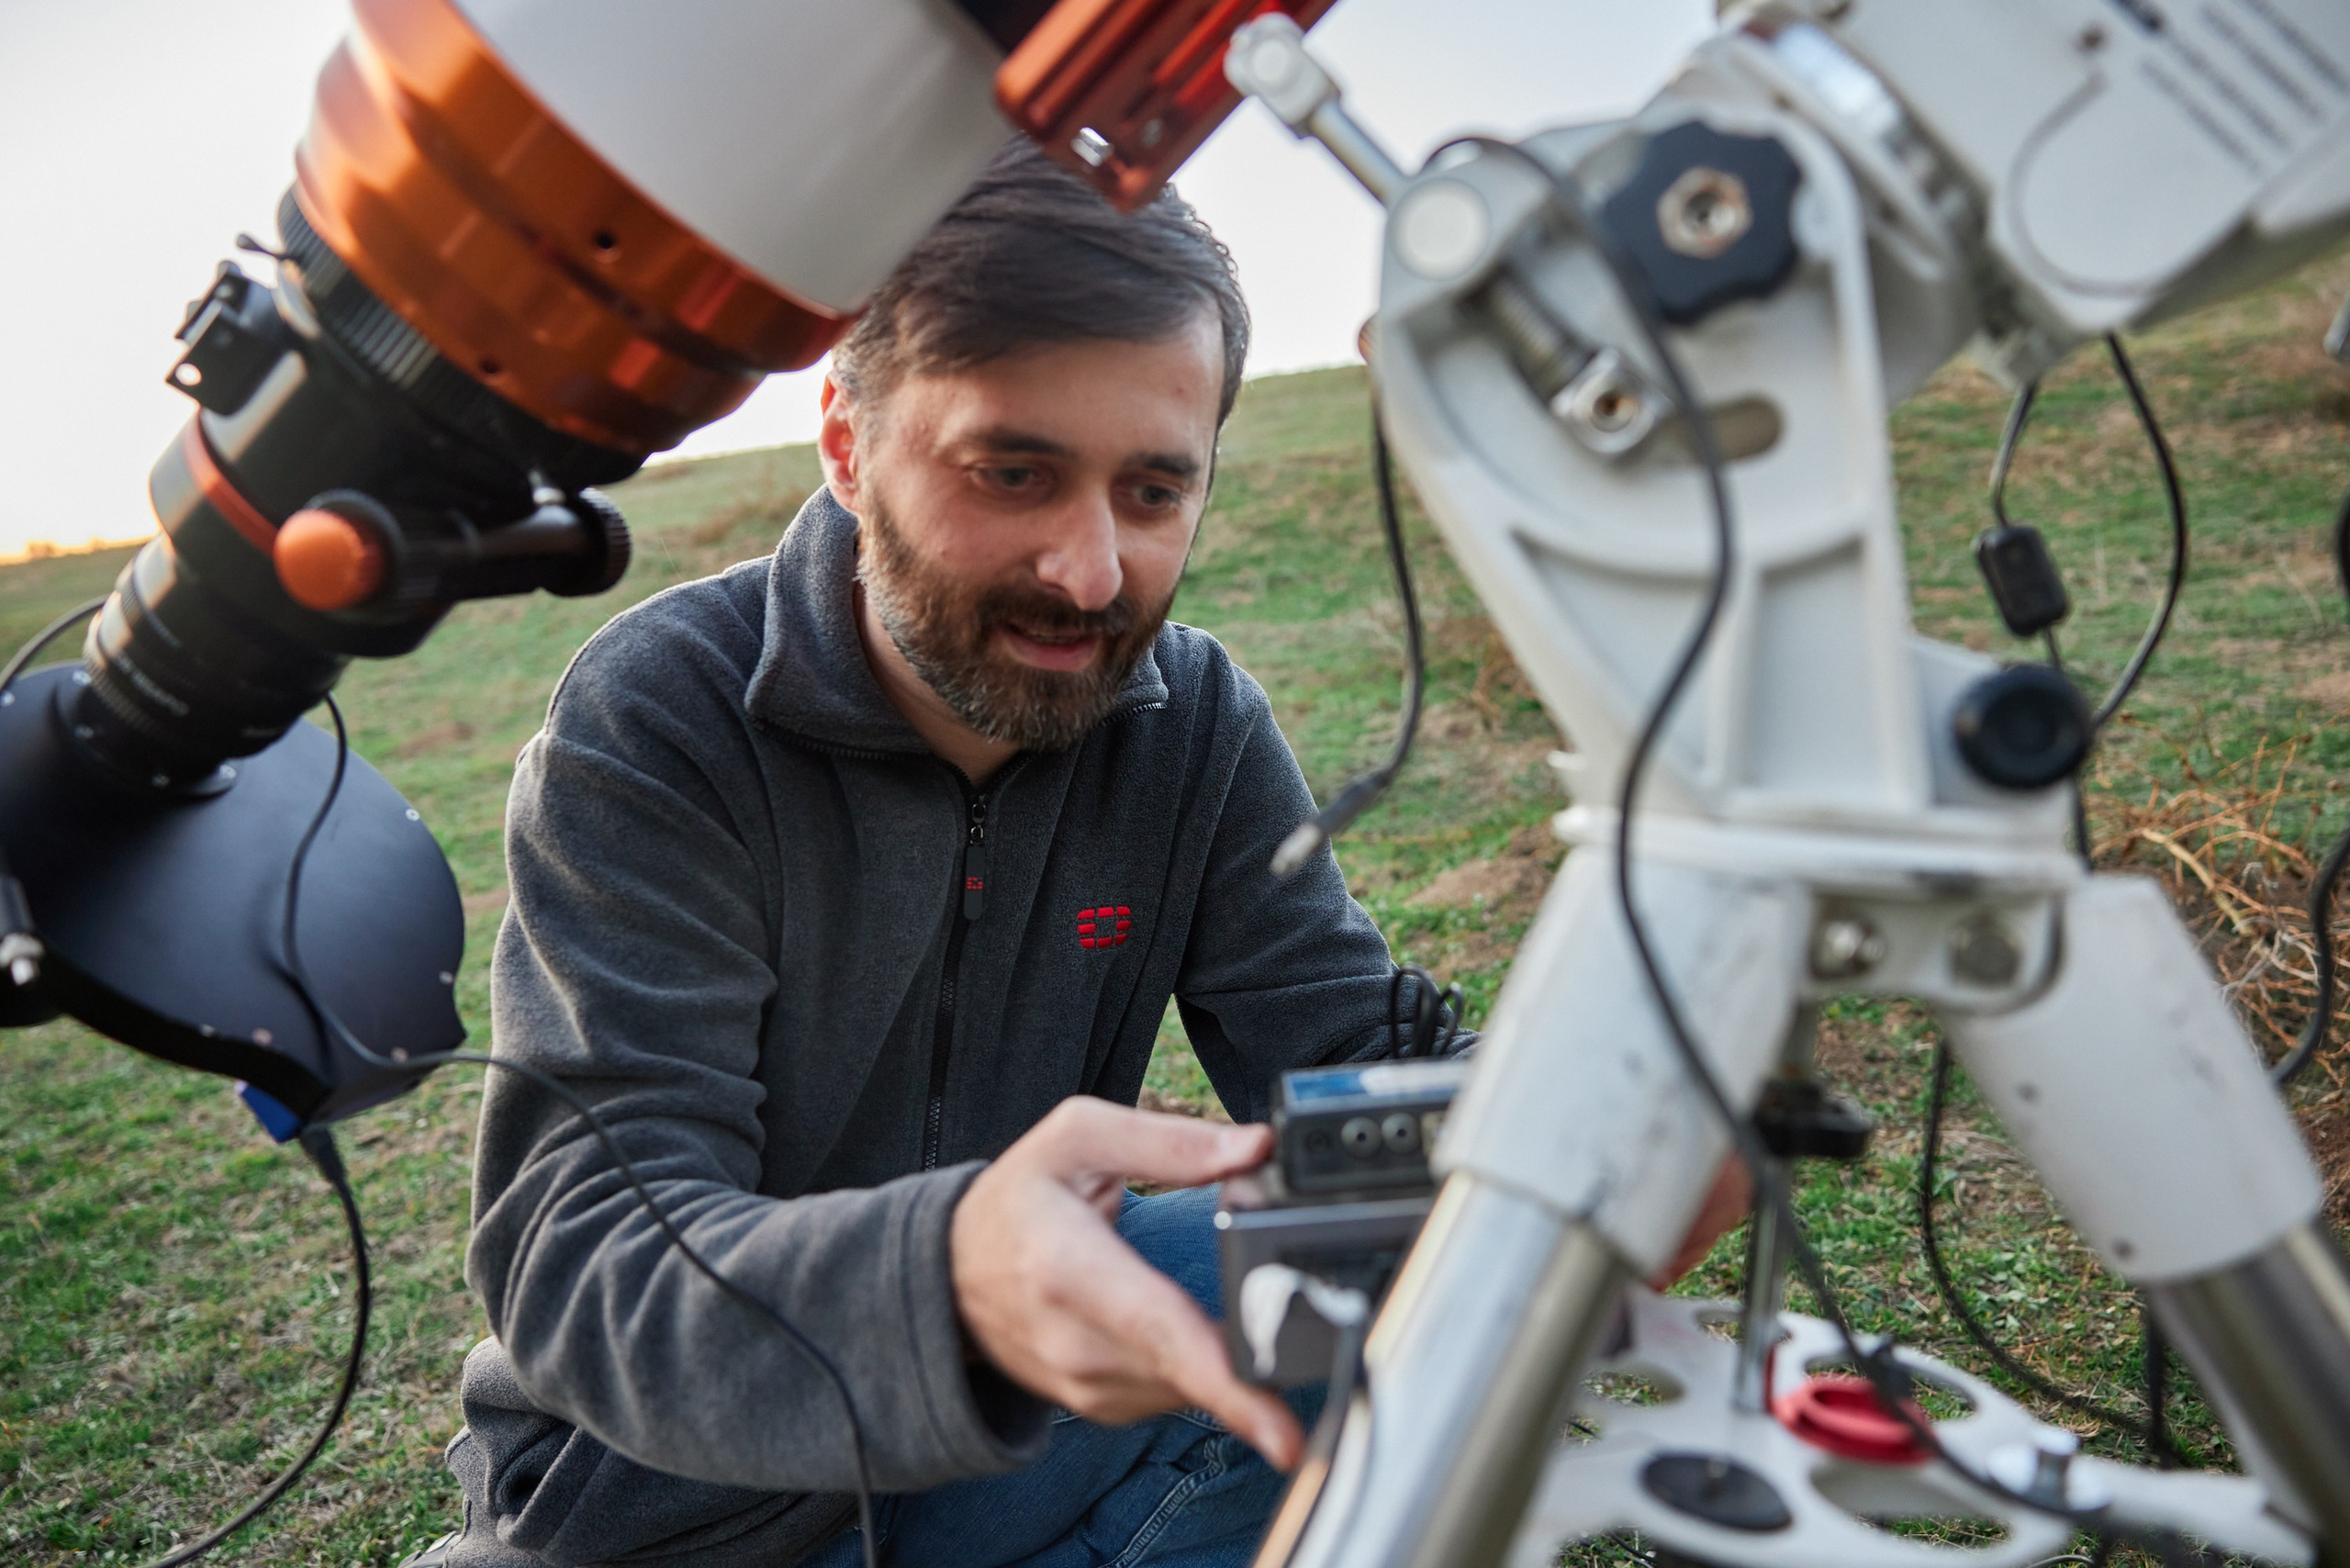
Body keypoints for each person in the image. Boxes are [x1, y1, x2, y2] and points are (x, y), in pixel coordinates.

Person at [411, 140, 1742, 1568]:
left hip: (1006, 1447)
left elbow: (1351, 1064)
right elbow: (585, 1266)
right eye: (1013, 472)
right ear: (849, 446)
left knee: (1387, 1260)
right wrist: (947, 1289)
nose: (1092, 573)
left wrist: (1584, 1125)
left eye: (1154, 493)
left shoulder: (1195, 722)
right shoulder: (663, 713)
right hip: (671, 1513)